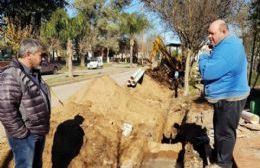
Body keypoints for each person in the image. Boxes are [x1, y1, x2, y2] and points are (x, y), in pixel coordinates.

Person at [199, 20, 250, 168]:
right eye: (208, 33)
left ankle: (223, 164)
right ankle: (218, 156)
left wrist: (202, 56)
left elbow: (207, 72)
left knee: (226, 132)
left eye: (212, 33)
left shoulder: (229, 48)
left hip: (230, 97)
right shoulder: (223, 45)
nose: (209, 36)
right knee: (220, 128)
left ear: (223, 31)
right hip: (226, 96)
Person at [0, 38, 51, 168]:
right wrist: (22, 134)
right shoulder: (11, 75)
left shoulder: (32, 73)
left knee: (36, 165)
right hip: (25, 135)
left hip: (38, 131)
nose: (43, 59)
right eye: (40, 55)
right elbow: (5, 108)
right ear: (29, 55)